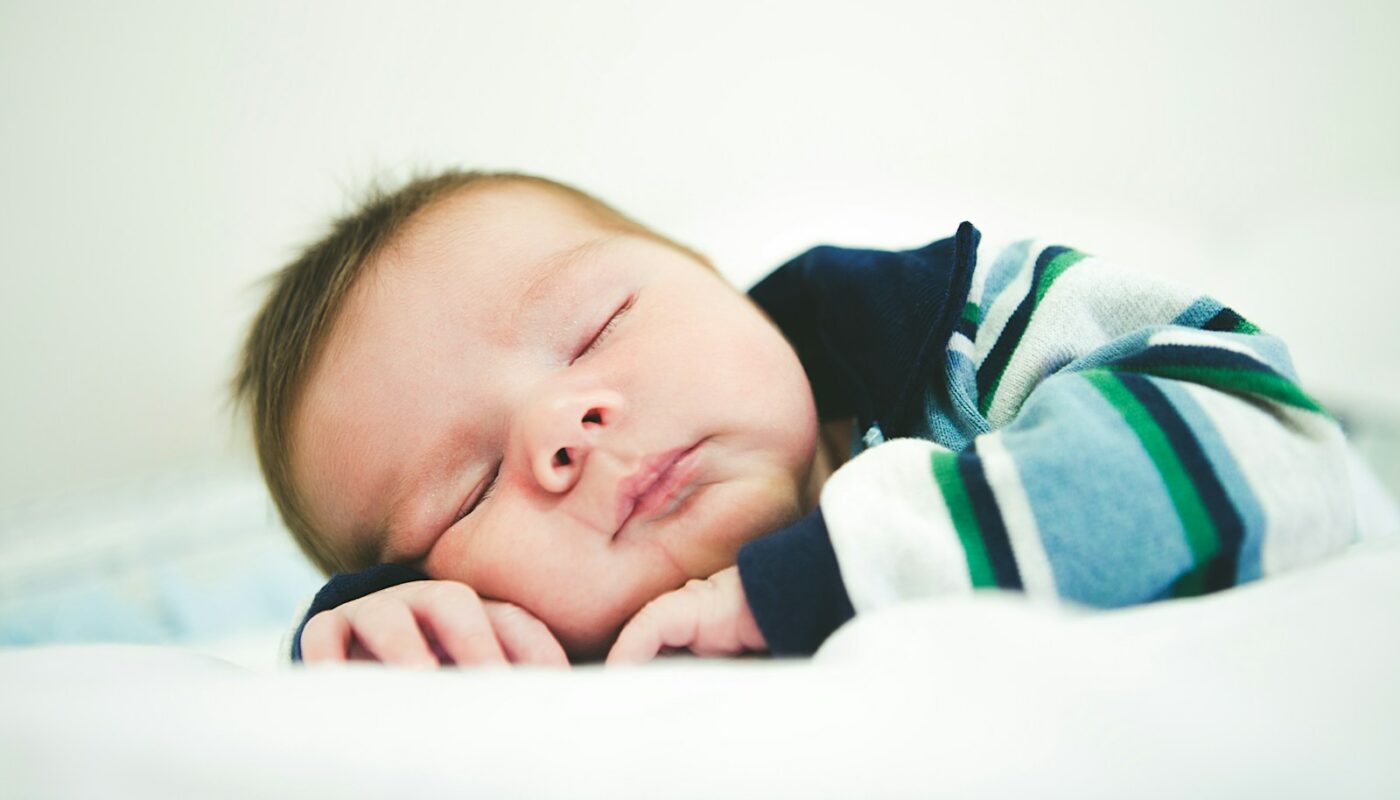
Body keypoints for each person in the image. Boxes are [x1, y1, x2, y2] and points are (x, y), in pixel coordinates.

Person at [232, 169, 1356, 668]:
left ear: (717, 280)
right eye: (468, 488)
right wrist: (389, 636)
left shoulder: (967, 326)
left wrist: (829, 570)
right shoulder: (566, 639)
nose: (563, 427)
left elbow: (1266, 438)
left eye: (593, 328)